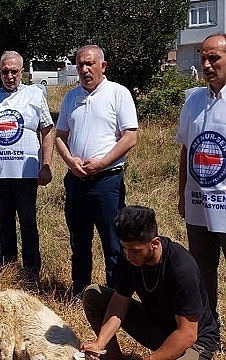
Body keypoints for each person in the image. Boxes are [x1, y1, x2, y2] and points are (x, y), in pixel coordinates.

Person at [81, 205, 219, 360]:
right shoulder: (129, 254)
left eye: (135, 250)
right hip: (159, 328)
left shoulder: (181, 267)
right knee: (93, 294)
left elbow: (187, 334)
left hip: (194, 343)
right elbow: (119, 302)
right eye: (124, 248)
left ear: (155, 243)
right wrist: (100, 343)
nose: (128, 256)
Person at [55, 44, 138, 296]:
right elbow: (60, 135)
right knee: (79, 242)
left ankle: (115, 297)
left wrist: (102, 163)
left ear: (103, 66)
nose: (84, 69)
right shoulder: (71, 97)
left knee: (113, 244)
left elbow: (130, 137)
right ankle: (81, 292)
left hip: (107, 182)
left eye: (89, 64)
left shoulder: (118, 93)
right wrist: (70, 161)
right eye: (80, 64)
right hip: (77, 181)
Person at [0, 50, 54, 281]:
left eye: (14, 71)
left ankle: (31, 269)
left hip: (26, 172)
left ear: (22, 72)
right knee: (4, 220)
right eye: (5, 71)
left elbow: (48, 132)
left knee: (28, 220)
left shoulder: (35, 95)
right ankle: (7, 265)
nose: (9, 76)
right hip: (0, 172)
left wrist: (46, 164)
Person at [176, 33, 226, 322]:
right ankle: (209, 331)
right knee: (202, 273)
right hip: (198, 205)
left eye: (214, 58)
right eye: (203, 58)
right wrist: (182, 192)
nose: (207, 64)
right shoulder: (194, 100)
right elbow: (186, 149)